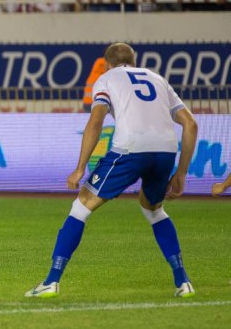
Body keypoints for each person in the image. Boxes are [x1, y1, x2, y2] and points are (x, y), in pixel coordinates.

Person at [25, 42, 198, 299]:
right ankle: (183, 281)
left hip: (130, 148)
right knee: (153, 209)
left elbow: (96, 121)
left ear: (106, 64)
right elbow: (191, 124)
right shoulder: (158, 79)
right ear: (134, 60)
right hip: (165, 150)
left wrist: (80, 167)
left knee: (81, 206)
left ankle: (51, 281)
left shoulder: (106, 79)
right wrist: (181, 173)